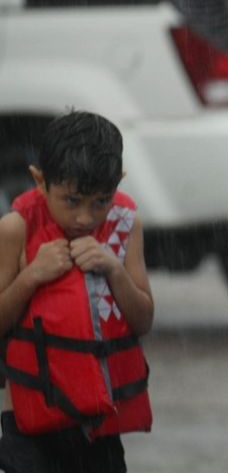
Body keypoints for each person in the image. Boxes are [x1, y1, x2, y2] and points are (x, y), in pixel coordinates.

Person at [0, 111, 155, 473]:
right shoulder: (16, 229)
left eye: (100, 201)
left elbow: (143, 319)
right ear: (40, 182)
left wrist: (113, 269)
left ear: (118, 185)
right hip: (28, 428)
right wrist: (31, 276)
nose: (85, 218)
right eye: (71, 201)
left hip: (96, 433)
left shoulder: (124, 228)